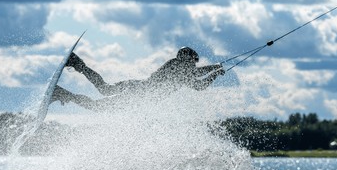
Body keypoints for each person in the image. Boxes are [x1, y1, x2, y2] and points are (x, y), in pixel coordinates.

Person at [51, 47, 225, 111]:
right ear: (186, 60)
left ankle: (78, 64)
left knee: (105, 89)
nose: (194, 65)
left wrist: (215, 67)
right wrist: (215, 72)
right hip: (139, 95)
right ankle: (65, 94)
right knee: (97, 106)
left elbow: (195, 73)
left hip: (137, 87)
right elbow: (199, 84)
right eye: (193, 62)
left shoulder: (176, 65)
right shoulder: (180, 70)